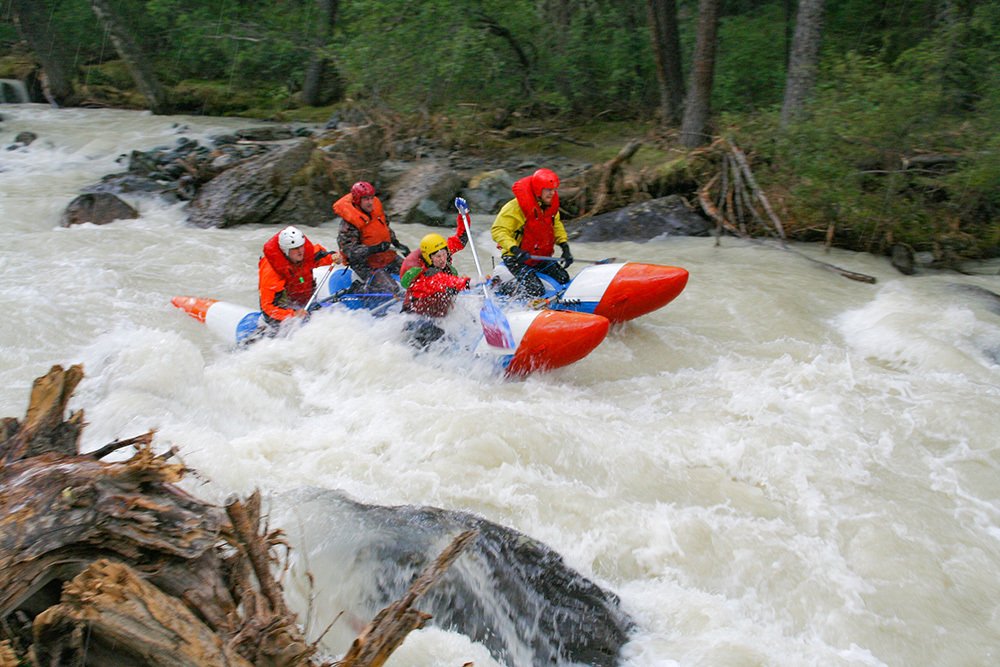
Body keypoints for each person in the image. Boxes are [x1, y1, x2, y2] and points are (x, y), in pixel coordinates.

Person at [491, 167, 574, 298]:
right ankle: (506, 289)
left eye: (554, 190)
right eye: (548, 190)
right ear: (538, 190)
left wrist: (565, 247)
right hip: (516, 258)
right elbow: (498, 231)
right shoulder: (515, 207)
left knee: (563, 278)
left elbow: (557, 226)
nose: (552, 194)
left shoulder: (550, 206)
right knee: (536, 290)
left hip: (538, 257)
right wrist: (515, 250)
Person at [397, 219, 472, 347]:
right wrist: (470, 282)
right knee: (438, 337)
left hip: (441, 315)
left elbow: (461, 239)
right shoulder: (421, 273)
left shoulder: (440, 254)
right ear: (428, 257)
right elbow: (442, 281)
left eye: (444, 254)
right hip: (419, 319)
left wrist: (463, 215)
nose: (443, 259)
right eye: (438, 256)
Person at [333, 181, 410, 294]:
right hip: (366, 264)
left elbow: (384, 229)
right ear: (358, 201)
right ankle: (358, 289)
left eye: (371, 198)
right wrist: (374, 248)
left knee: (413, 274)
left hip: (385, 256)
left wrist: (397, 244)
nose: (370, 202)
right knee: (392, 289)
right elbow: (350, 251)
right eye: (366, 199)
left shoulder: (376, 211)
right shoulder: (348, 225)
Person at [258, 225, 341, 326]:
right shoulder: (271, 272)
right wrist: (293, 314)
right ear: (286, 251)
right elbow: (268, 308)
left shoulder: (306, 253)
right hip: (284, 309)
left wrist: (334, 257)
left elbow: (323, 256)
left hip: (305, 300)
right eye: (295, 248)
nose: (300, 251)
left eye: (301, 246)